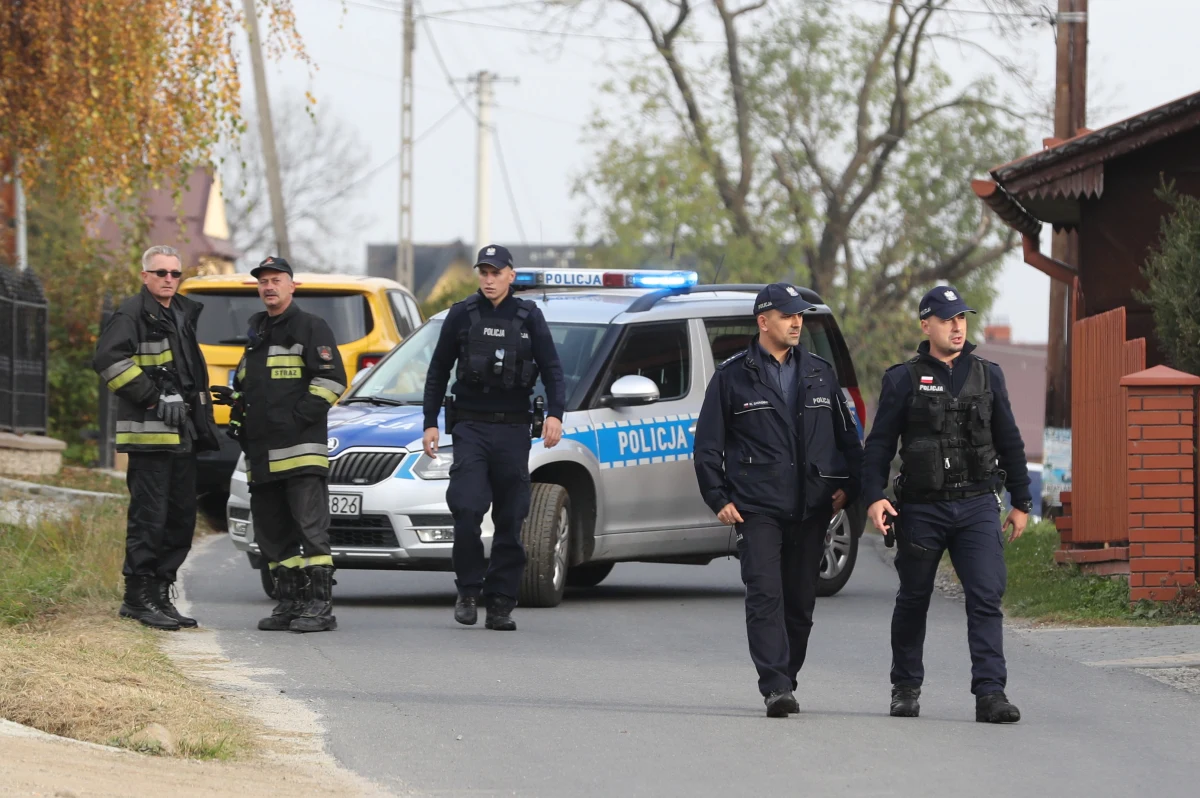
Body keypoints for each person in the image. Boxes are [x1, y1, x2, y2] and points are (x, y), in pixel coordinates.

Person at [693, 283, 864, 718]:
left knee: (800, 602)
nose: (796, 323)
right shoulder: (732, 376)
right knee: (764, 595)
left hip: (812, 506)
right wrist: (717, 497)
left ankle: (787, 675)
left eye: (800, 316)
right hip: (757, 507)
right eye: (788, 315)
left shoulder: (821, 373)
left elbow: (849, 439)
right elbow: (707, 446)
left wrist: (850, 486)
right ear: (763, 321)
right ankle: (774, 685)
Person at [862, 285, 1031, 724]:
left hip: (977, 504)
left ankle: (991, 694)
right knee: (914, 598)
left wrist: (1022, 501)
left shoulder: (988, 375)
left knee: (986, 595)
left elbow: (1010, 440)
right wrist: (874, 496)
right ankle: (905, 688)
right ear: (926, 325)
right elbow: (878, 445)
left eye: (961, 318)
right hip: (923, 508)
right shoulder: (902, 379)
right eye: (947, 319)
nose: (957, 327)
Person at [421, 244, 566, 631]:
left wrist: (555, 415)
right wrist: (430, 421)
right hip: (470, 427)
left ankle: (501, 601)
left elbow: (553, 370)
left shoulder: (529, 316)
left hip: (513, 430)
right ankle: (469, 591)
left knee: (511, 517)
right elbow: (438, 370)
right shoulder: (462, 314)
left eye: (496, 273)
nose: (488, 279)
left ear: (510, 276)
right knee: (467, 509)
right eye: (483, 273)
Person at [212, 256, 348, 633]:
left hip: (300, 452)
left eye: (276, 280)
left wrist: (293, 421)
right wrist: (238, 407)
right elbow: (253, 387)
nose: (269, 286)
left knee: (310, 530)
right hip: (261, 455)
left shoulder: (310, 326)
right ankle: (290, 603)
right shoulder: (257, 332)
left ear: (292, 285)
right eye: (263, 281)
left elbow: (332, 380)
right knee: (271, 534)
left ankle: (320, 607)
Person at [93, 245, 221, 630]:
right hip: (149, 437)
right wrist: (152, 396)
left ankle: (161, 594)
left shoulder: (181, 312)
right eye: (161, 273)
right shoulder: (132, 312)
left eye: (175, 273)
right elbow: (108, 359)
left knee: (180, 519)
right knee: (149, 518)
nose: (169, 279)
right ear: (145, 275)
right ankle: (137, 597)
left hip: (183, 432)